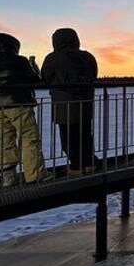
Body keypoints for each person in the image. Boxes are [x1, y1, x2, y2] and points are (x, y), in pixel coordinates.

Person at [0, 32, 49, 187]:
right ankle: (35, 175)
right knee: (29, 137)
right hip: (18, 103)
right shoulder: (20, 61)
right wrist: (33, 67)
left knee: (5, 138)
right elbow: (34, 80)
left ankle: (8, 176)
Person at [41, 28, 99, 175]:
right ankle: (89, 164)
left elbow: (46, 78)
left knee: (69, 138)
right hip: (85, 104)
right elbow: (93, 75)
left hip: (64, 105)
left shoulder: (52, 58)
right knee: (85, 135)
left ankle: (75, 167)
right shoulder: (87, 57)